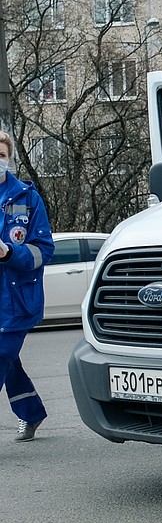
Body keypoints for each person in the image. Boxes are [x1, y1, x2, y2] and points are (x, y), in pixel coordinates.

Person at [0, 129, 54, 441]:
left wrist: (8, 252)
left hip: (17, 299)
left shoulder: (26, 198)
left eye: (2, 156)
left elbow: (43, 250)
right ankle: (31, 413)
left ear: (9, 160)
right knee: (8, 361)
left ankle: (30, 415)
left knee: (0, 356)